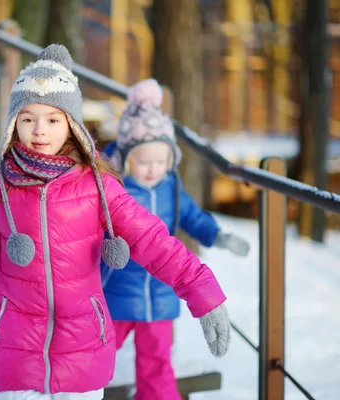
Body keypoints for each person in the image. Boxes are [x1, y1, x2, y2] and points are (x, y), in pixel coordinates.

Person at [0, 45, 230, 400]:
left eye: (53, 119)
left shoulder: (97, 184)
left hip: (82, 351)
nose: (39, 130)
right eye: (27, 118)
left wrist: (204, 294)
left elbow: (152, 240)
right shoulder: (0, 185)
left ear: (71, 124)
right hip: (15, 353)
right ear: (12, 124)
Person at [101, 78, 249, 400]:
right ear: (126, 160)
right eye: (143, 161)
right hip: (117, 291)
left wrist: (217, 235)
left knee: (157, 363)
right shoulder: (114, 191)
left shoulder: (171, 188)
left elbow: (192, 216)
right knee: (98, 354)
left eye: (160, 161)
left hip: (161, 294)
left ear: (171, 161)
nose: (152, 169)